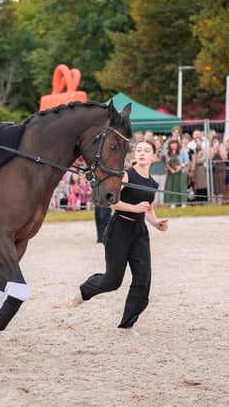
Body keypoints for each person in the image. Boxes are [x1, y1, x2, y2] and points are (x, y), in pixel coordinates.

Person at [72, 140, 169, 328]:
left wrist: (157, 223)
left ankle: (127, 324)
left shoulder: (153, 183)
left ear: (154, 156)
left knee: (143, 279)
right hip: (119, 228)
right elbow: (109, 201)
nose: (142, 153)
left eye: (146, 150)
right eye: (139, 150)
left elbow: (149, 210)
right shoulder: (126, 176)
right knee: (113, 281)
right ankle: (86, 290)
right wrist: (133, 208)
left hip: (139, 231)